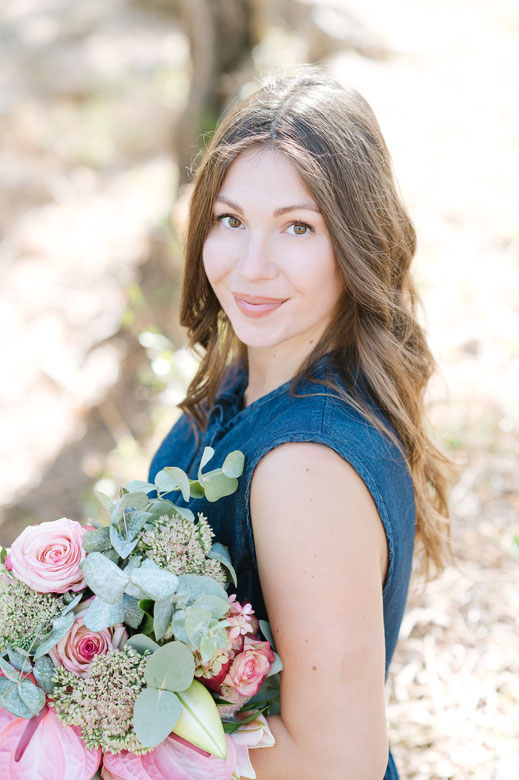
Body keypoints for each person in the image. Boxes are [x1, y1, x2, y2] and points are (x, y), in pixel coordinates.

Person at [149, 67, 452, 779]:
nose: (251, 267)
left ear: (355, 239)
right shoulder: (254, 378)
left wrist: (97, 732)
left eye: (296, 227)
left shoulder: (304, 469)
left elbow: (335, 761)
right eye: (230, 220)